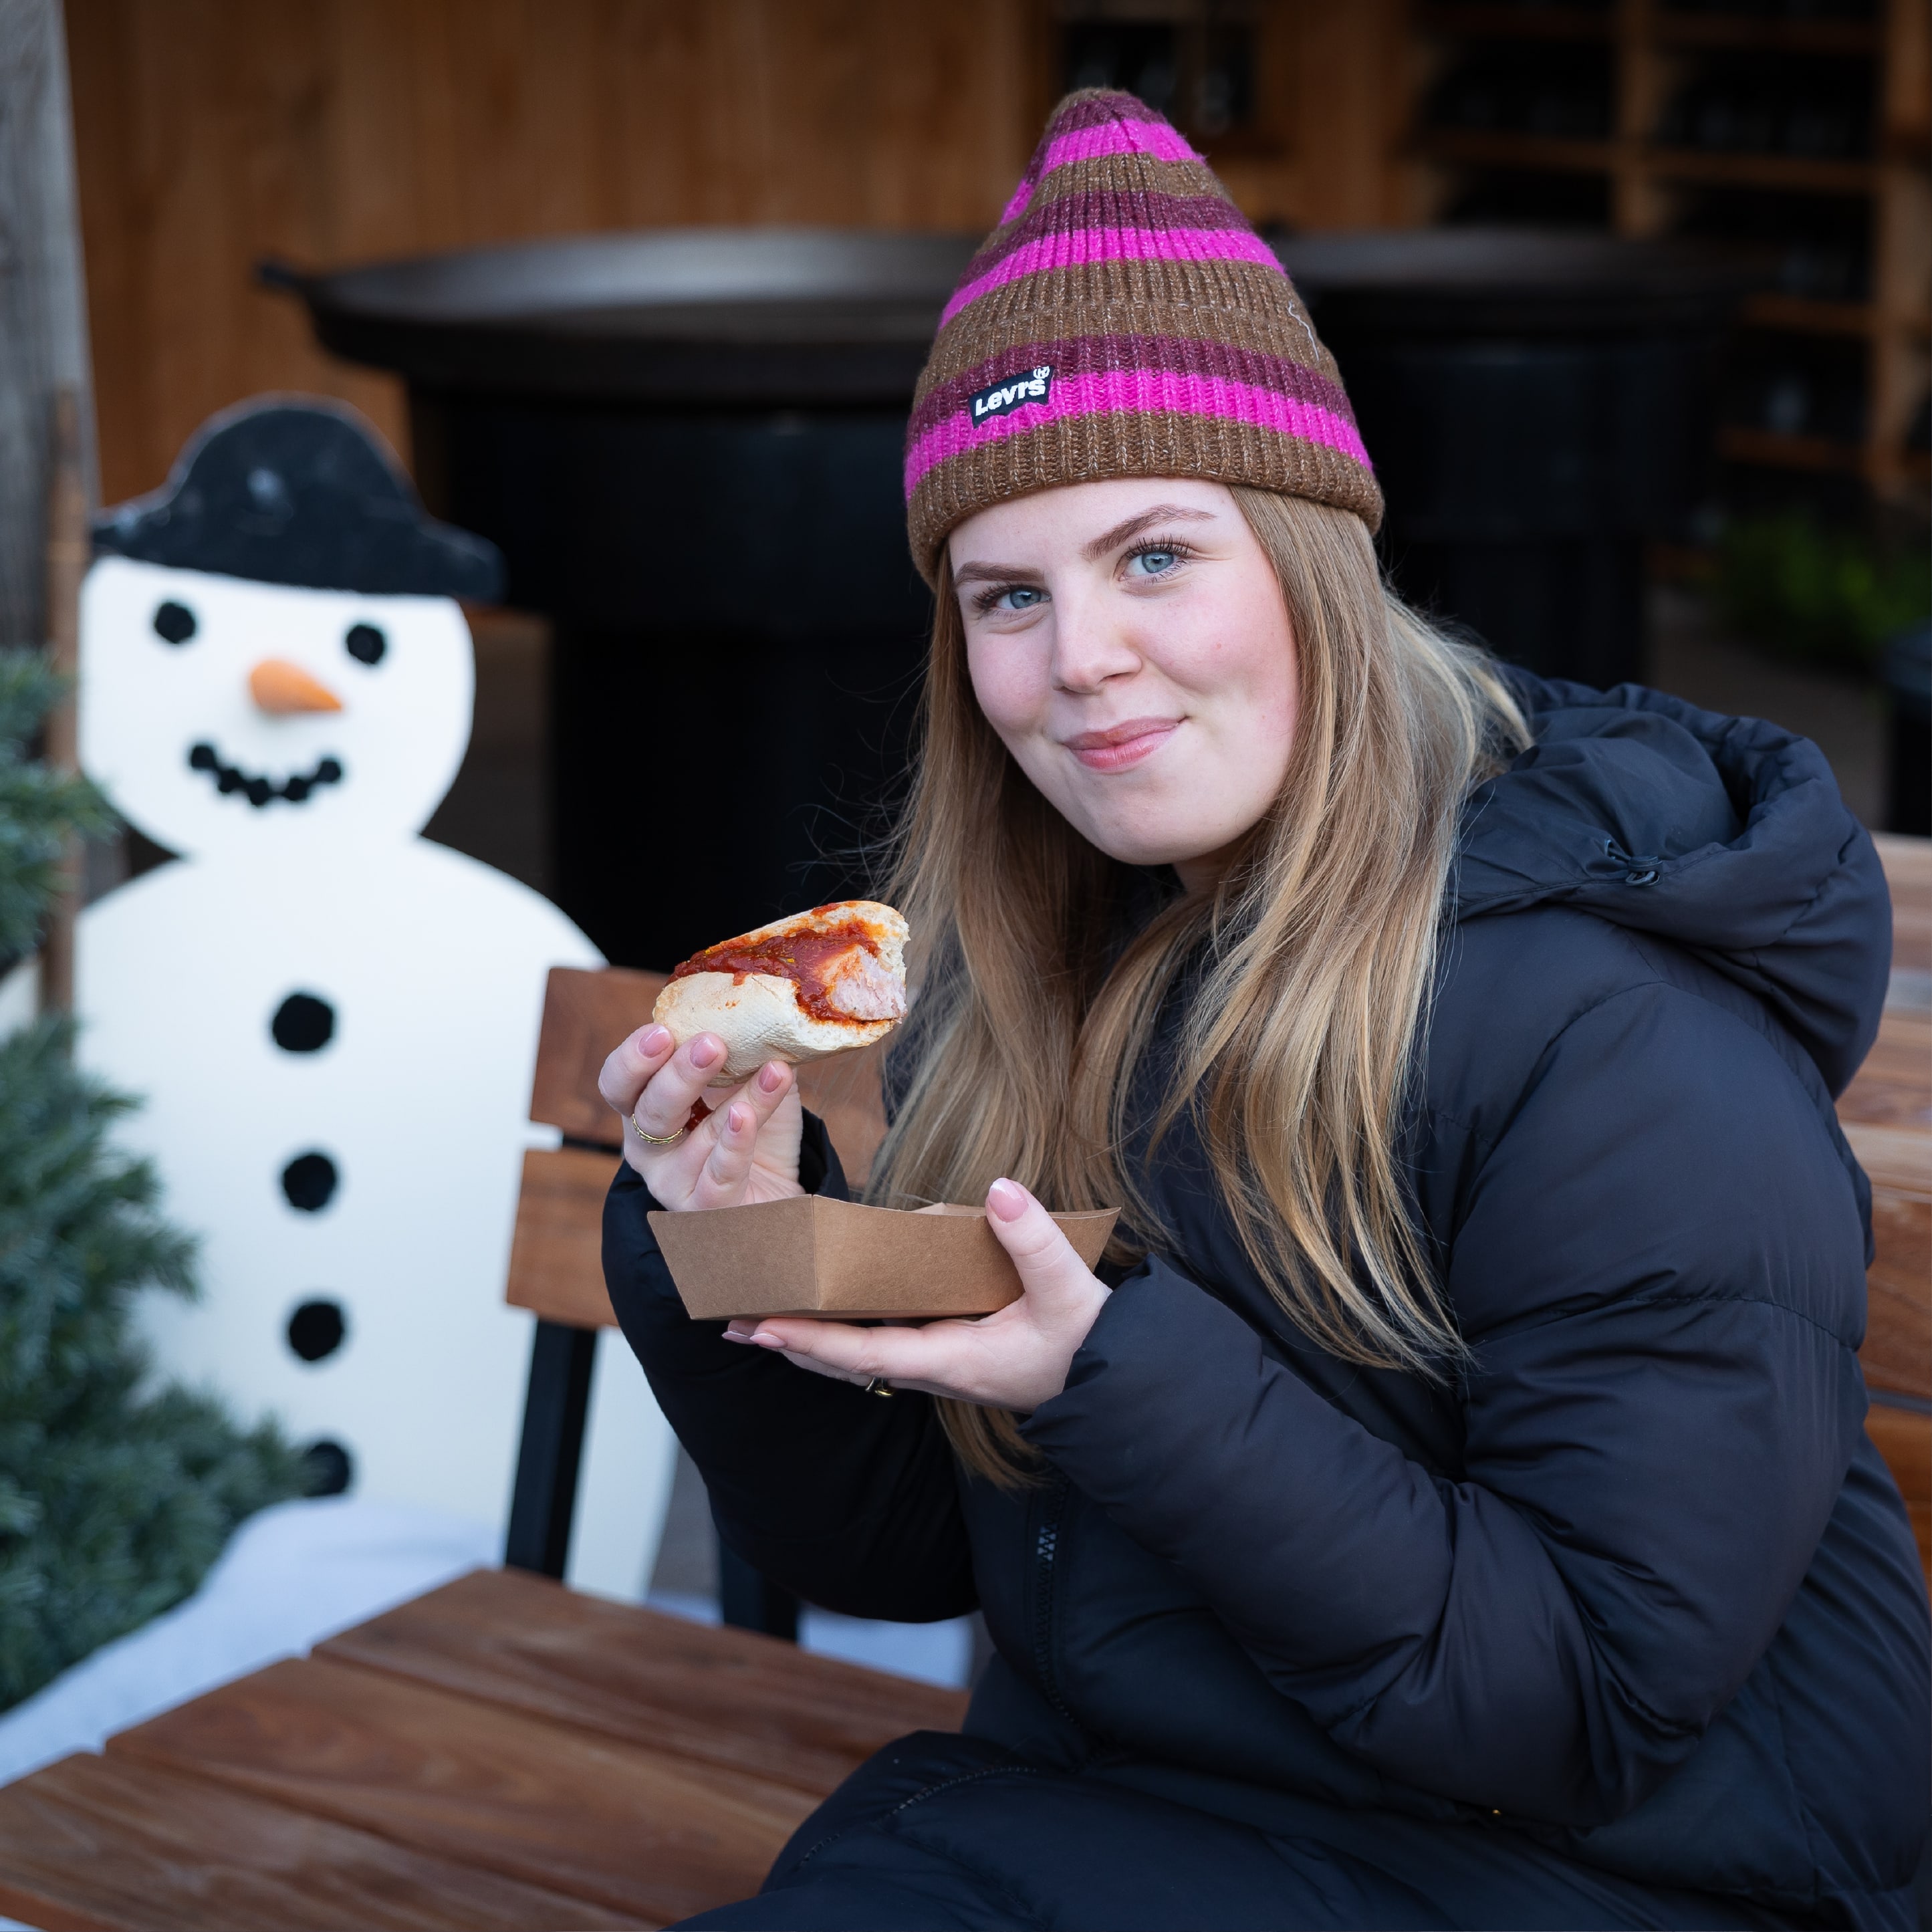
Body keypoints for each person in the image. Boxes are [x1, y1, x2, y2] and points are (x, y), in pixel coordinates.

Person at [600, 89, 1929, 1932]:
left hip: (1600, 1873)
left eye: (1154, 554)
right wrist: (733, 1241)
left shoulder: (1609, 1029)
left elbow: (1585, 1702)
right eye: (1006, 593)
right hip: (1142, 1816)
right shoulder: (1028, 972)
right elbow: (900, 1545)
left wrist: (1111, 1371)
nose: (1080, 658)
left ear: (1309, 562)